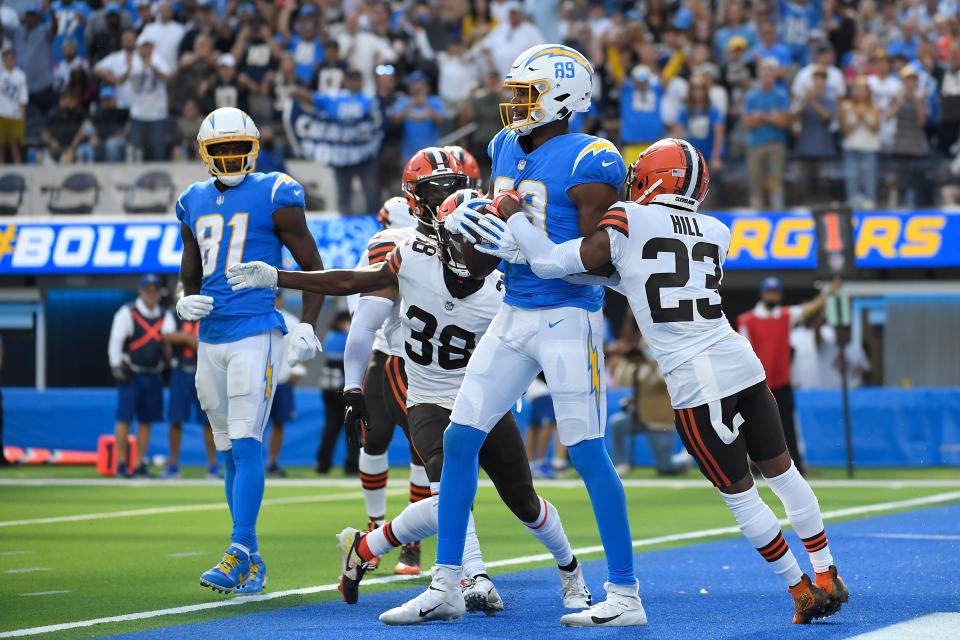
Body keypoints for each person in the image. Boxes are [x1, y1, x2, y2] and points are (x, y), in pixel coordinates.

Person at [460, 137, 849, 626]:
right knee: (785, 474)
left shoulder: (626, 217)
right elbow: (638, 278)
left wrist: (515, 215)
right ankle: (826, 570)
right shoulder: (715, 229)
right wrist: (598, 275)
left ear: (653, 177)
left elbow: (551, 263)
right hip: (739, 361)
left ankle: (799, 589)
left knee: (741, 494)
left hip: (694, 380)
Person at [228, 182, 591, 621]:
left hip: (485, 399)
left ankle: (570, 570)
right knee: (452, 491)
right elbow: (350, 281)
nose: (478, 260)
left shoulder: (507, 283)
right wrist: (278, 276)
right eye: (469, 246)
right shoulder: (412, 258)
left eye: (487, 247)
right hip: (429, 398)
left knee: (525, 503)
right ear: (445, 239)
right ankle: (461, 580)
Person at [377, 43, 645, 627]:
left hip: (567, 316)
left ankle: (625, 594)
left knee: (588, 452)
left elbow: (605, 258)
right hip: (514, 309)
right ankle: (449, 583)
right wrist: (475, 236)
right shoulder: (502, 146)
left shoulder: (592, 158)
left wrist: (531, 242)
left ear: (564, 99)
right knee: (459, 438)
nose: (514, 104)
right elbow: (494, 244)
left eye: (527, 94)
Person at [174, 106, 324, 595]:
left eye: (239, 147)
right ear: (205, 154)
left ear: (255, 148)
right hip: (211, 337)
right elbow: (191, 264)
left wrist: (307, 322)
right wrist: (182, 298)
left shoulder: (277, 192)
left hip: (256, 330)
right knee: (227, 451)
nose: (232, 157)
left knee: (246, 440)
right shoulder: (191, 200)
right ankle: (251, 559)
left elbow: (312, 266)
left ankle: (238, 549)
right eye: (222, 150)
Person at [338, 194, 428, 575]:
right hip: (394, 354)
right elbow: (358, 305)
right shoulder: (408, 242)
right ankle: (388, 533)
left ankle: (403, 536)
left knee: (417, 448)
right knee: (404, 446)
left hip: (407, 357)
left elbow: (354, 308)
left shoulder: (395, 242)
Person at [736, 277, 837, 474]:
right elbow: (743, 352)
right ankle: (756, 465)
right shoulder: (747, 320)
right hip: (758, 383)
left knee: (788, 427)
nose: (772, 295)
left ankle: (795, 464)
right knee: (756, 427)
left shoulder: (784, 316)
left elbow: (809, 309)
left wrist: (828, 293)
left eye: (775, 292)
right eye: (769, 292)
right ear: (763, 294)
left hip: (781, 382)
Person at [108, 274, 175, 478]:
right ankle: (121, 462)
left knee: (147, 420)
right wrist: (115, 365)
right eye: (148, 290)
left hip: (153, 374)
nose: (151, 294)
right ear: (141, 291)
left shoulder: (165, 315)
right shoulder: (127, 313)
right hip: (132, 373)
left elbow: (169, 339)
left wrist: (168, 361)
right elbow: (116, 341)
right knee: (124, 418)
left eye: (155, 290)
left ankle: (138, 464)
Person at [163, 298, 221, 479]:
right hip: (181, 370)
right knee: (176, 419)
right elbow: (165, 334)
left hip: (204, 371)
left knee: (209, 420)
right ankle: (173, 463)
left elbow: (216, 337)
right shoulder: (175, 312)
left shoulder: (209, 310)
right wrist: (187, 338)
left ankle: (212, 464)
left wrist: (192, 340)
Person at [265, 292, 307, 478]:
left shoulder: (292, 321)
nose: (275, 301)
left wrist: (297, 371)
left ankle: (272, 462)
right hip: (259, 382)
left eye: (278, 297)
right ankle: (250, 463)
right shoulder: (258, 320)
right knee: (253, 424)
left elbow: (303, 349)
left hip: (282, 380)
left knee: (279, 424)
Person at [314, 310, 359, 476]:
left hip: (328, 388)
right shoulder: (345, 338)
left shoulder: (330, 337)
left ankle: (322, 464)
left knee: (330, 429)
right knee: (352, 426)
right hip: (344, 387)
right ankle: (352, 465)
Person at [743, 59, 791, 208]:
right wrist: (772, 117)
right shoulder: (751, 96)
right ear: (759, 75)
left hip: (776, 143)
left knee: (775, 180)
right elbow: (747, 123)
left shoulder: (781, 94)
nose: (767, 76)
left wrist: (761, 117)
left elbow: (784, 122)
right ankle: (757, 211)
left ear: (775, 75)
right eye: (764, 73)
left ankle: (777, 211)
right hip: (755, 143)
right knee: (755, 180)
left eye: (770, 73)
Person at [840, 77, 881, 208]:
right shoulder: (846, 106)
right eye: (858, 89)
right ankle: (852, 205)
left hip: (869, 148)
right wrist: (858, 119)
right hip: (851, 148)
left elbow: (875, 129)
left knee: (869, 180)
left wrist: (864, 118)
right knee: (851, 179)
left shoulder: (874, 107)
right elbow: (845, 129)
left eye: (864, 90)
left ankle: (870, 205)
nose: (861, 92)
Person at [390, 71, 446, 163]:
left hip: (432, 153)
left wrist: (425, 103)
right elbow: (395, 122)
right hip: (409, 153)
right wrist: (411, 105)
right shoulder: (403, 102)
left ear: (427, 88)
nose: (418, 90)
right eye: (414, 87)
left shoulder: (435, 101)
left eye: (421, 87)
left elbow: (441, 121)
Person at [0, 47, 27, 164]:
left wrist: (22, 116)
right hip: (1, 114)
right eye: (6, 58)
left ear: (15, 59)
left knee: (14, 145)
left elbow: (23, 98)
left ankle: (18, 166)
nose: (9, 60)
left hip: (15, 115)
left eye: (11, 58)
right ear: (3, 59)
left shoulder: (20, 76)